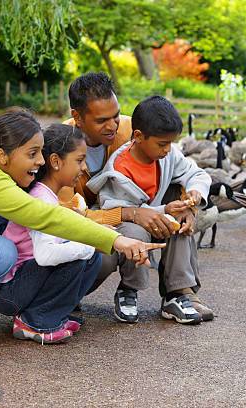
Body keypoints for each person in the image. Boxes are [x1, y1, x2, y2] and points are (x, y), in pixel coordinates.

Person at [0, 109, 159, 342]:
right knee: (0, 252)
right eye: (33, 153)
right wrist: (116, 240)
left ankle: (45, 316)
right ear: (2, 155)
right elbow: (46, 216)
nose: (41, 161)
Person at [63, 72, 214, 323]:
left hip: (143, 208)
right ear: (77, 117)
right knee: (105, 256)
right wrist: (132, 213)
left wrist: (189, 203)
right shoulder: (61, 145)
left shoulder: (133, 129)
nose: (113, 126)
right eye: (102, 120)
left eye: (115, 115)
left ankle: (180, 292)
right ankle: (67, 292)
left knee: (178, 212)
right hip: (91, 220)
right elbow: (66, 214)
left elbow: (184, 167)